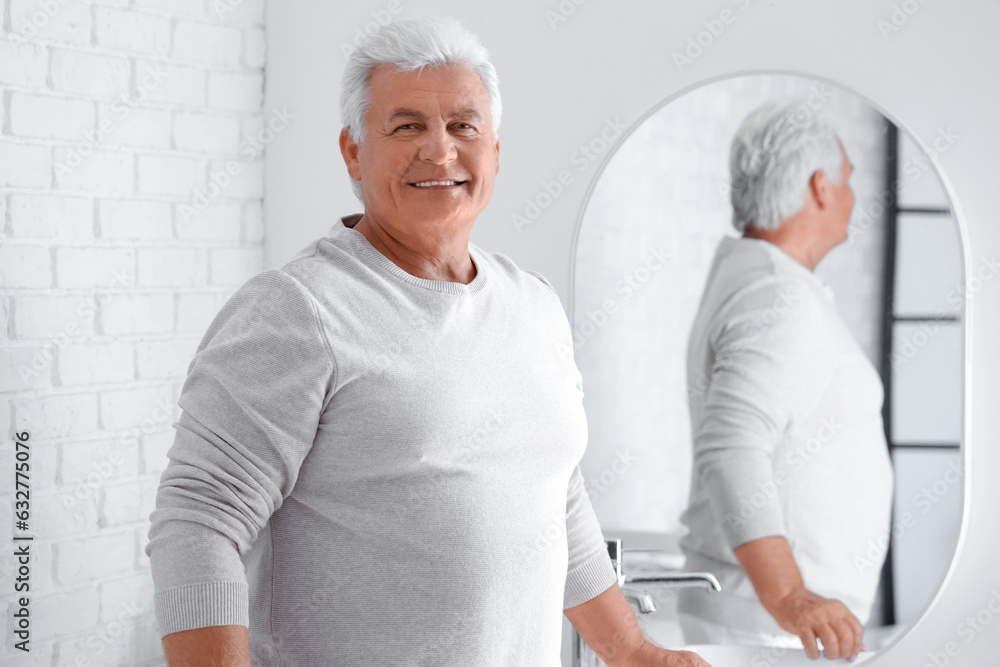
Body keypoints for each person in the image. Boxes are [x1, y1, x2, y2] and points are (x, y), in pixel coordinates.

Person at [146, 15, 709, 667]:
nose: (440, 152)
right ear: (353, 151)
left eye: (463, 126)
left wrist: (633, 649)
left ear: (495, 151)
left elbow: (556, 496)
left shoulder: (535, 307)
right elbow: (199, 517)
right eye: (407, 124)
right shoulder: (299, 310)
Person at [676, 98, 894, 661]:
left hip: (763, 622)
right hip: (770, 626)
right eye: (847, 178)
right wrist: (791, 595)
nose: (851, 194)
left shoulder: (758, 280)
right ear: (820, 187)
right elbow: (731, 448)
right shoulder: (779, 297)